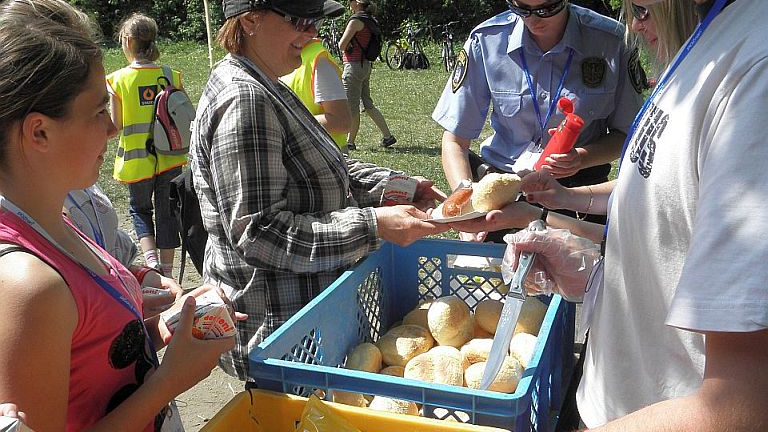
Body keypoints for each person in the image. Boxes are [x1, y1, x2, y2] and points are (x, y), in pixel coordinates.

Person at [488, 0, 768, 430]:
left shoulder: (754, 74)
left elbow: (740, 407)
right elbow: (669, 187)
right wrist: (596, 262)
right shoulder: (707, 40)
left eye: (640, 9)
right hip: (613, 399)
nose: (633, 29)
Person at [0, 1, 243, 431]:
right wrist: (170, 380)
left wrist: (164, 325)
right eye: (98, 112)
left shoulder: (53, 218)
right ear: (39, 132)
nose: (112, 129)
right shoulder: (28, 284)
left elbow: (86, 361)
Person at [191, 0, 448, 381]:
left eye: (314, 21)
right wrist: (374, 226)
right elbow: (260, 233)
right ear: (249, 21)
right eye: (299, 20)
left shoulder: (265, 82)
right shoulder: (245, 100)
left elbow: (322, 171)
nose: (312, 32)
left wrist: (400, 189)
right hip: (282, 339)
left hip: (306, 325)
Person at [434, 0, 644, 242]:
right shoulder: (486, 41)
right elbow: (454, 140)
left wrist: (581, 158)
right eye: (521, 9)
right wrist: (465, 197)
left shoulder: (612, 42)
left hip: (579, 195)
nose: (533, 19)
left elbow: (626, 135)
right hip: (503, 196)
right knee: (496, 278)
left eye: (546, 9)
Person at [107, 13, 187, 277]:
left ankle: (151, 263)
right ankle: (168, 271)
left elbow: (115, 126)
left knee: (140, 210)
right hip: (171, 158)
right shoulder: (172, 76)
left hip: (137, 161)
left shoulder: (117, 81)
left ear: (128, 41)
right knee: (167, 213)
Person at [64, 185, 184, 317]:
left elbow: (111, 257)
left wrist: (147, 277)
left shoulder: (85, 184)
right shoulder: (41, 209)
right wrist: (125, 304)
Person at [280, 26, 353, 152]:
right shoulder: (281, 57)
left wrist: (286, 124)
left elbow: (342, 121)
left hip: (325, 157)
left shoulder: (319, 61)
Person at [338, 0, 397, 150]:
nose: (349, 3)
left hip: (353, 67)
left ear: (357, 3)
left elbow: (341, 45)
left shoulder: (356, 20)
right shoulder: (371, 20)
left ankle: (349, 142)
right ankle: (387, 136)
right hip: (366, 66)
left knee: (352, 108)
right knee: (367, 104)